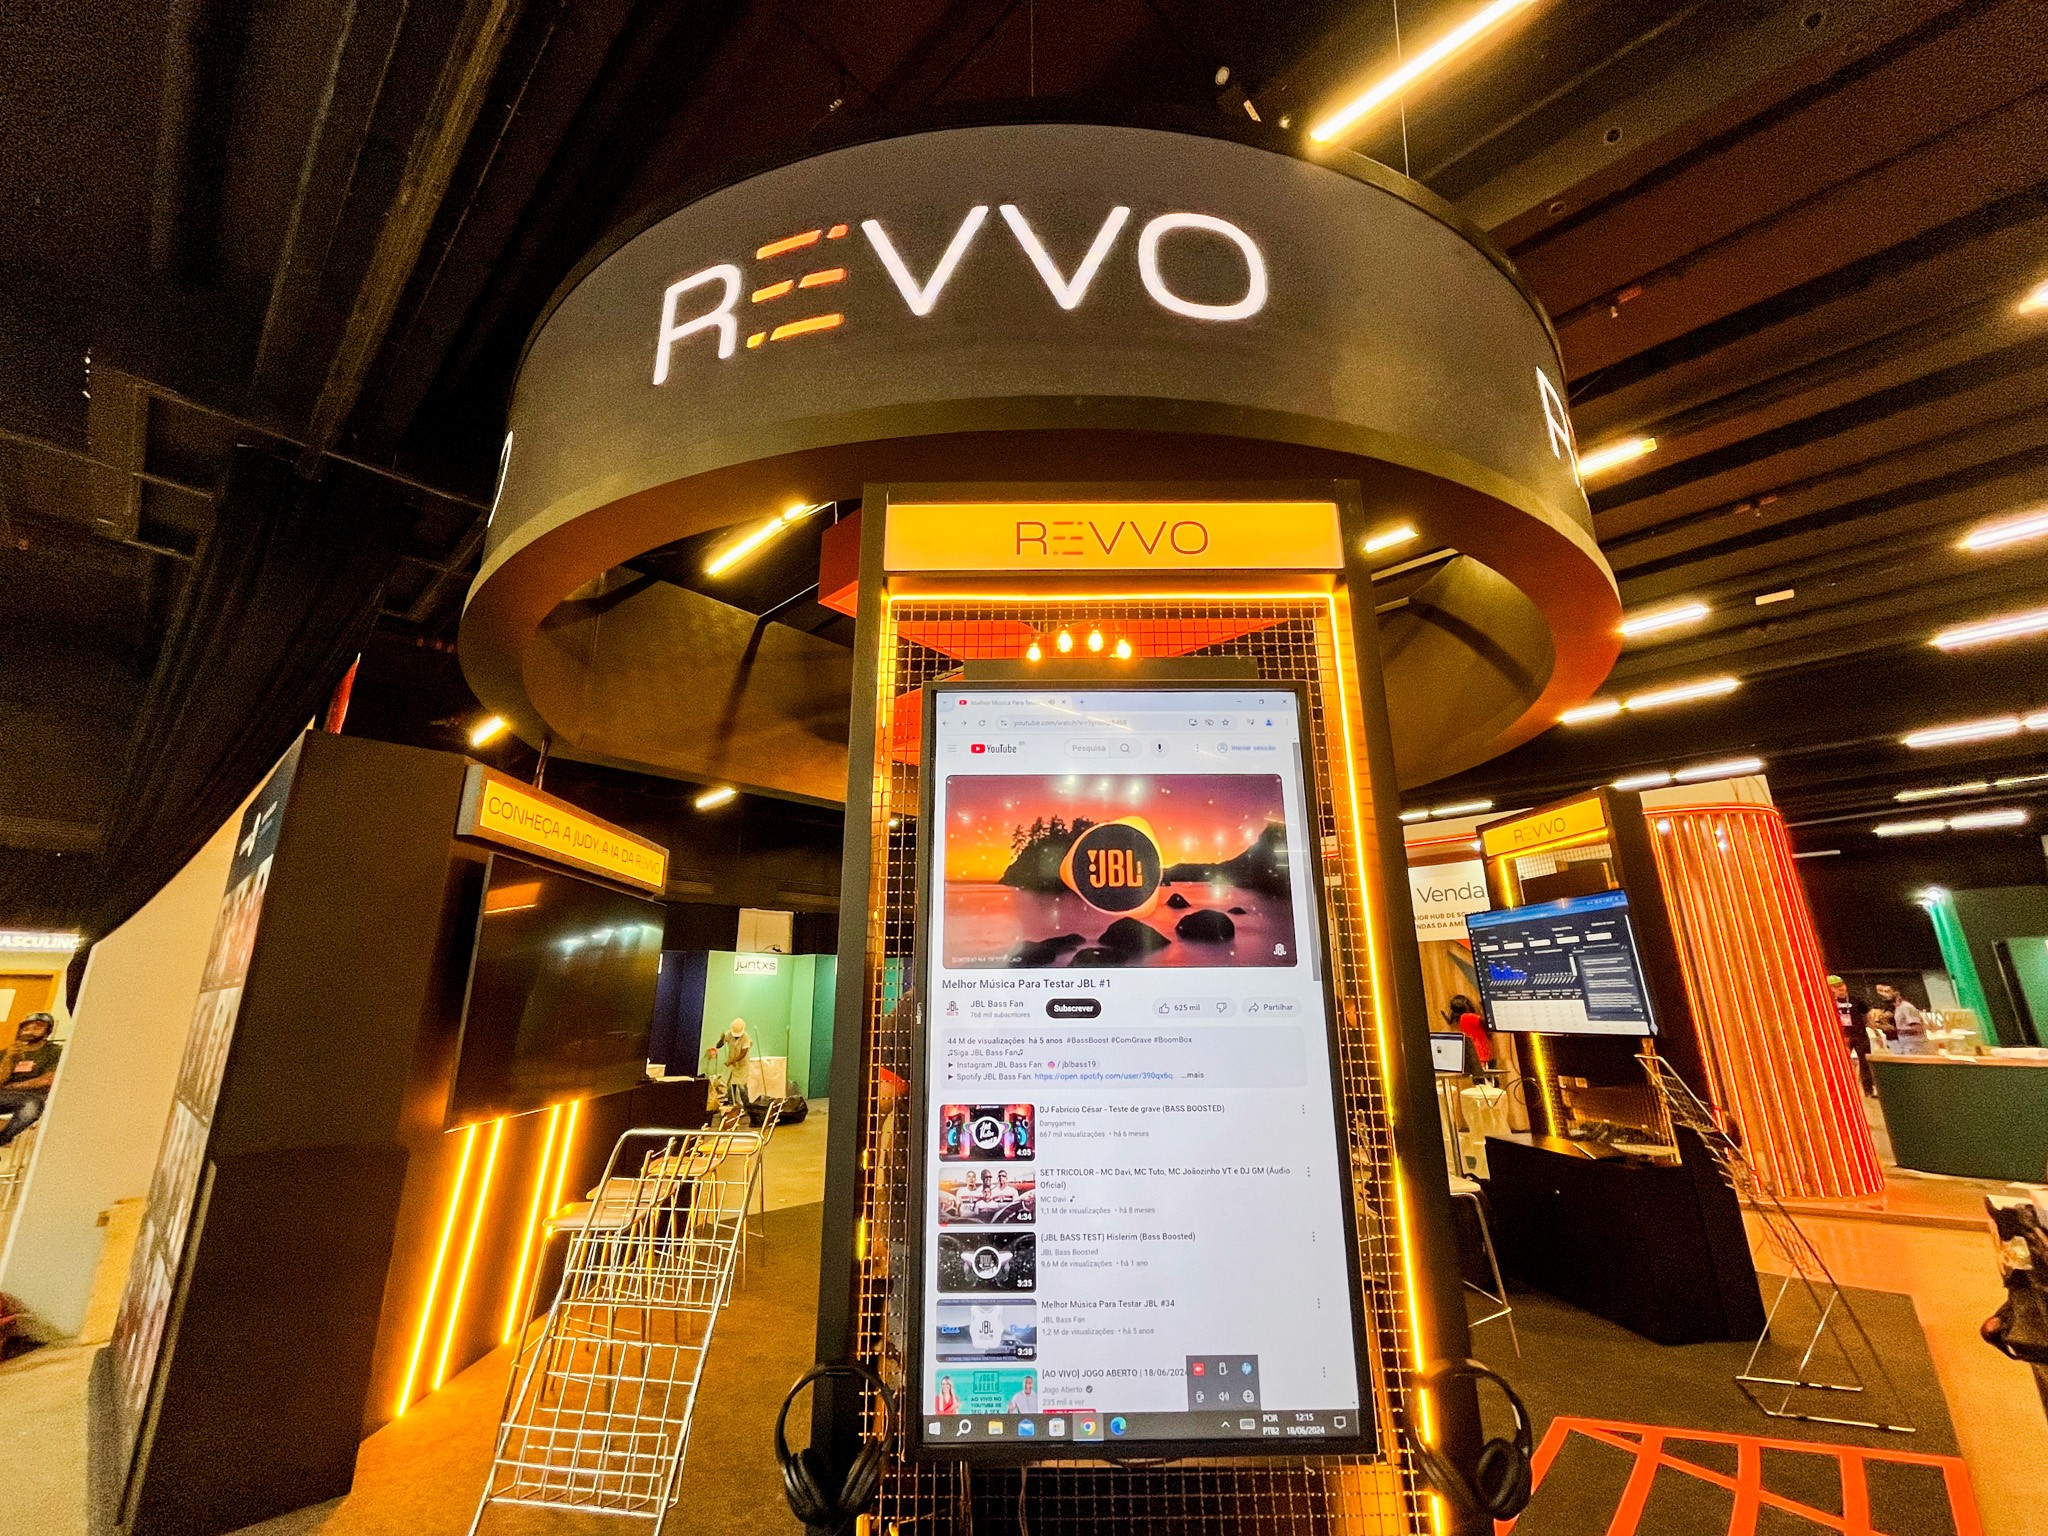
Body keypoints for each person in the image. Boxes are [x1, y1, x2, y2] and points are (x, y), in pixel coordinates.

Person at [0, 1013, 61, 1147]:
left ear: (47, 1031)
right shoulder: (7, 1052)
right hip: (4, 1096)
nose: (31, 1029)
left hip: (32, 1096)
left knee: (31, 1105)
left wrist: (13, 1087)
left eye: (37, 1026)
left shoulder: (54, 1051)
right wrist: (9, 1058)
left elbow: (48, 1079)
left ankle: (3, 1138)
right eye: (26, 1027)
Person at [1828, 976, 1875, 1093]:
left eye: (1841, 985)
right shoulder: (1829, 1003)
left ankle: (1868, 1089)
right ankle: (1841, 1089)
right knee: (1840, 1062)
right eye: (1836, 987)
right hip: (1843, 1036)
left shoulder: (1856, 1000)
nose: (1841, 989)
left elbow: (1867, 1015)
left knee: (1865, 1062)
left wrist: (1875, 1030)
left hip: (1860, 1035)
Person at [1874, 984, 1929, 1055]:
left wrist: (1895, 1030)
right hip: (1905, 1045)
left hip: (1913, 1045)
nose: (1883, 995)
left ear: (1896, 993)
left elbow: (1918, 1028)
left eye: (1886, 991)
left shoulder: (1906, 1007)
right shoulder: (1898, 1008)